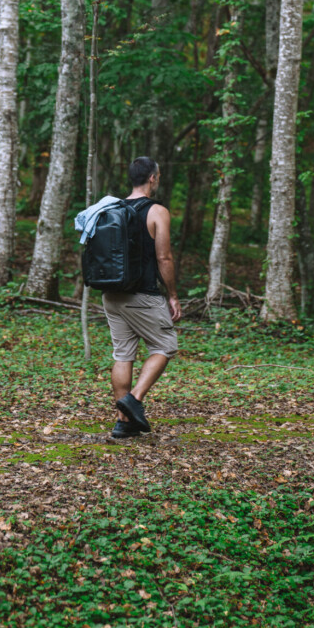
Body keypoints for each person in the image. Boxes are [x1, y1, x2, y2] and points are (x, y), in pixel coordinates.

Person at [102, 156, 181, 438]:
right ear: (152, 178)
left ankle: (123, 423)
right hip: (142, 295)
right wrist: (172, 295)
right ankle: (133, 400)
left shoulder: (111, 208)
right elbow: (164, 257)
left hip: (111, 294)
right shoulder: (156, 211)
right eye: (157, 176)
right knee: (166, 344)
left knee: (123, 354)